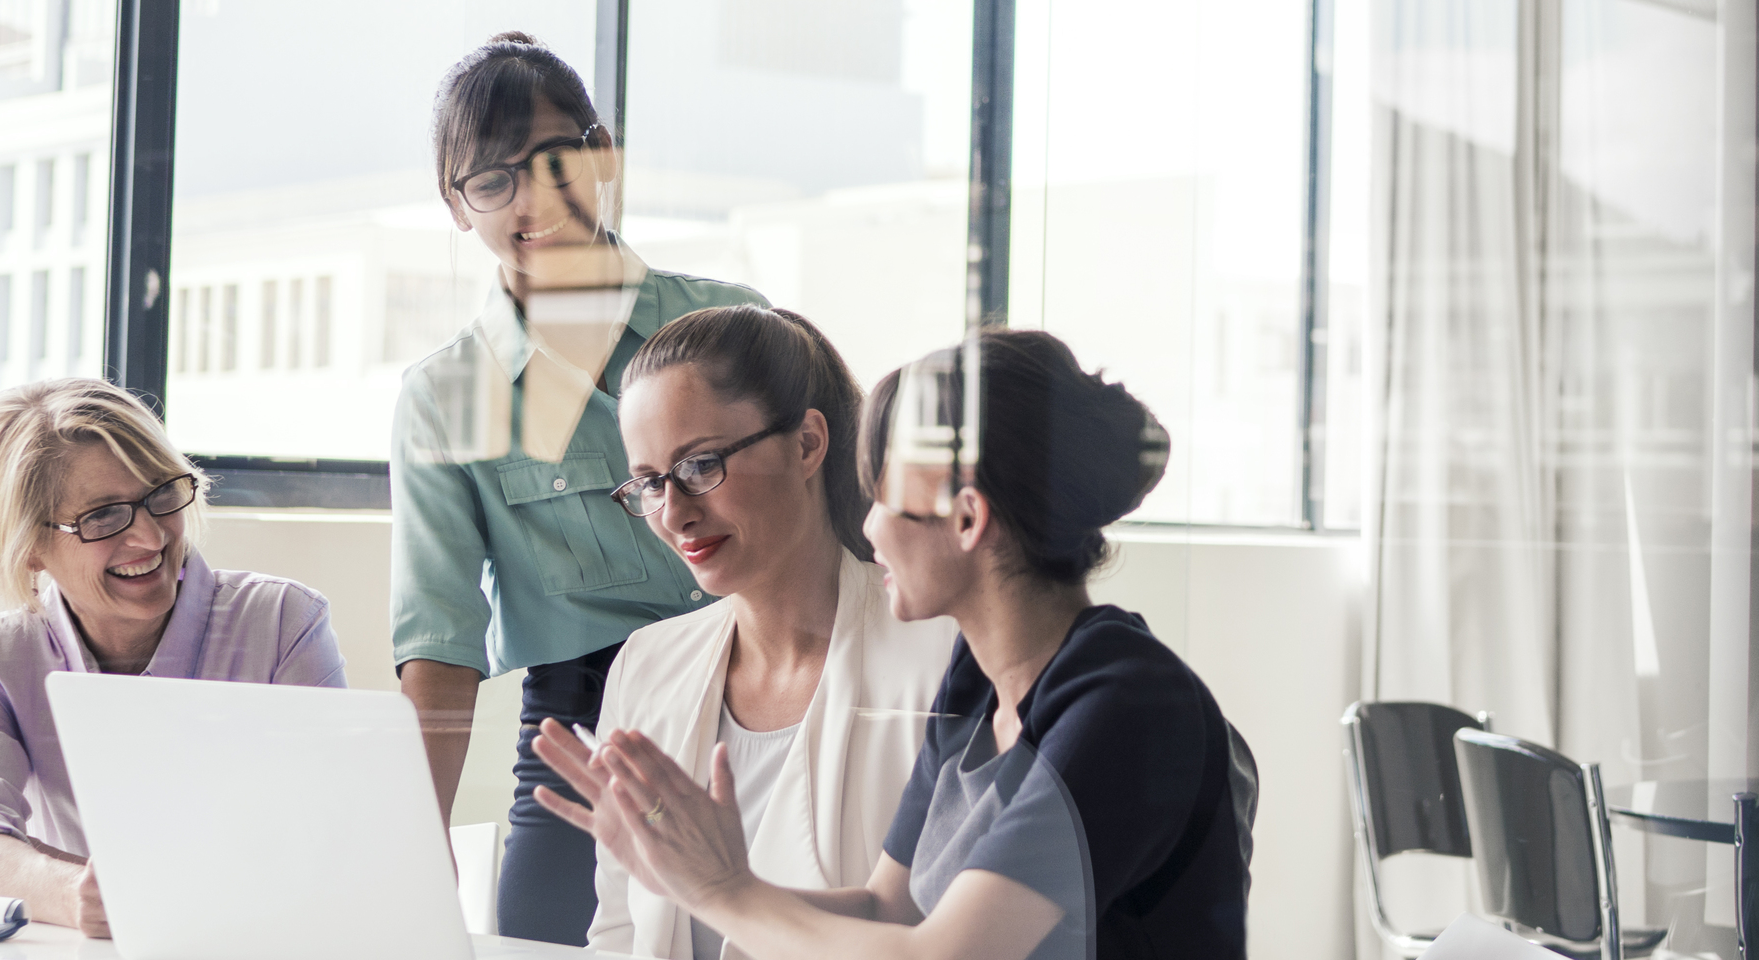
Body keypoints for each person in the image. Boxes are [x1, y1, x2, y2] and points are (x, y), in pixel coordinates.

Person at [540, 331, 1254, 960]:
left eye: (882, 496)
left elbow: (937, 956)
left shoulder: (1124, 704)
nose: (869, 527)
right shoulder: (978, 681)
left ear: (968, 519)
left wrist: (723, 890)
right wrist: (684, 875)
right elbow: (889, 908)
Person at [391, 30, 773, 944]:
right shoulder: (446, 397)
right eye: (493, 181)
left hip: (763, 687)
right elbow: (440, 638)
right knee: (538, 938)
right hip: (581, 723)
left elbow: (835, 530)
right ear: (457, 205)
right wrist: (415, 833)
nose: (534, 198)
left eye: (557, 160)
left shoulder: (732, 324)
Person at [0, 378, 348, 936]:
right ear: (30, 549)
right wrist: (72, 895)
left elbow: (334, 828)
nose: (149, 538)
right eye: (102, 516)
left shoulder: (284, 622)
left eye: (161, 495)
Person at [583, 305, 958, 958]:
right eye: (647, 482)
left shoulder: (941, 660)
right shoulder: (647, 666)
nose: (674, 513)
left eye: (700, 465)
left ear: (808, 444)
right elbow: (617, 933)